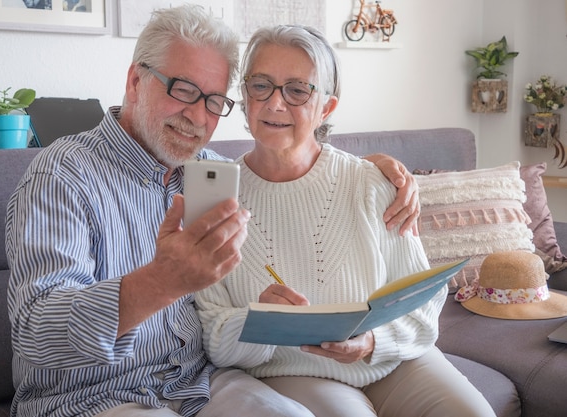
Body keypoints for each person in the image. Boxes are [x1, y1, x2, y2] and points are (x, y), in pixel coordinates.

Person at [5, 5, 419, 417]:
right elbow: (36, 333)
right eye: (183, 90)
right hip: (91, 397)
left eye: (214, 100)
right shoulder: (63, 173)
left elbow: (291, 165)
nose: (197, 116)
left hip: (199, 386)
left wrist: (380, 170)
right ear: (135, 81)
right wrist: (161, 282)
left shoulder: (212, 173)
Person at [195, 25, 496, 417]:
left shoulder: (373, 182)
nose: (275, 103)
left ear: (327, 107)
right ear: (245, 93)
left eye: (298, 90)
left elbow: (424, 301)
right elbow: (212, 337)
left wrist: (372, 342)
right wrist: (260, 322)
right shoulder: (216, 199)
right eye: (261, 85)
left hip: (393, 360)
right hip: (293, 372)